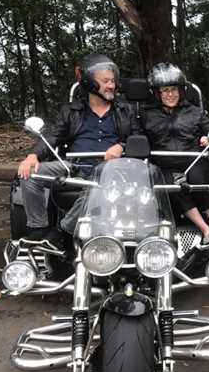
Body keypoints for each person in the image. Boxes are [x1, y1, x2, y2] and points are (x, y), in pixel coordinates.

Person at [16, 53, 141, 241]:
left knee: (98, 184)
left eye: (113, 81)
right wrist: (33, 155)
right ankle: (38, 231)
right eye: (106, 81)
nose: (112, 86)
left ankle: (62, 232)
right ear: (90, 82)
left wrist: (121, 147)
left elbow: (139, 137)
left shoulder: (126, 110)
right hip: (73, 166)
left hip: (111, 171)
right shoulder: (71, 110)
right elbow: (52, 135)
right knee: (29, 174)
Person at [140, 63, 209, 244]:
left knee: (198, 180)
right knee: (173, 185)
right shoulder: (146, 115)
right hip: (163, 163)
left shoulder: (194, 111)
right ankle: (205, 229)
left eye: (174, 90)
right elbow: (138, 137)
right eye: (165, 90)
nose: (170, 94)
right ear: (156, 93)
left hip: (192, 159)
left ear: (181, 91)